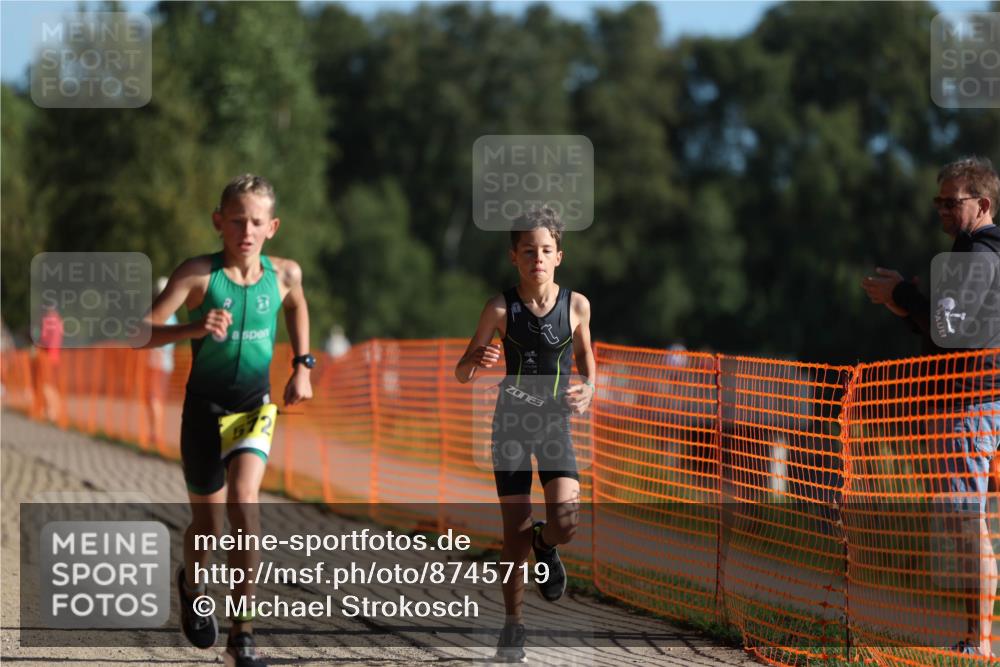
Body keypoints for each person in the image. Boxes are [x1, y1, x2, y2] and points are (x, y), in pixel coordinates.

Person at [142, 174, 315, 667]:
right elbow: (142, 331)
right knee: (208, 527)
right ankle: (191, 583)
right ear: (219, 221)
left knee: (245, 504)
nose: (246, 230)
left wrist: (303, 366)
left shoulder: (284, 275)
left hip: (254, 405)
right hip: (204, 409)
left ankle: (243, 634)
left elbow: (298, 307)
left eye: (256, 222)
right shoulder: (199, 275)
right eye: (236, 220)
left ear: (272, 227)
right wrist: (195, 326)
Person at [862, 156, 1000, 658]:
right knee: (971, 523)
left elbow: (953, 330)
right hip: (980, 400)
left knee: (969, 525)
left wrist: (900, 294)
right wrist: (907, 302)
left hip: (969, 406)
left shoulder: (978, 256)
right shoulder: (975, 254)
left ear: (981, 204)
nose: (941, 208)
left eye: (951, 201)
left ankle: (979, 644)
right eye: (937, 200)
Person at [455, 206, 595, 663]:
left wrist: (589, 388)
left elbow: (586, 357)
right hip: (511, 426)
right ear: (514, 256)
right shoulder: (499, 308)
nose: (538, 257)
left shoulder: (577, 305)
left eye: (546, 250)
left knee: (567, 520)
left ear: (560, 256)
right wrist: (477, 359)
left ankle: (547, 543)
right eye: (528, 250)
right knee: (512, 535)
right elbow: (462, 372)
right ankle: (514, 625)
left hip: (554, 423)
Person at [147, 277, 178, 450]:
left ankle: (155, 434)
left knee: (154, 398)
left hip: (158, 363)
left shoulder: (161, 314)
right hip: (165, 363)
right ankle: (155, 432)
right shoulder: (171, 314)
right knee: (156, 399)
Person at [35, 305, 64, 422]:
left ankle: (52, 412)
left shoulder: (49, 321)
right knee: (51, 385)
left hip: (48, 356)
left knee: (47, 385)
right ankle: (53, 410)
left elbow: (45, 339)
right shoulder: (59, 321)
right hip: (55, 355)